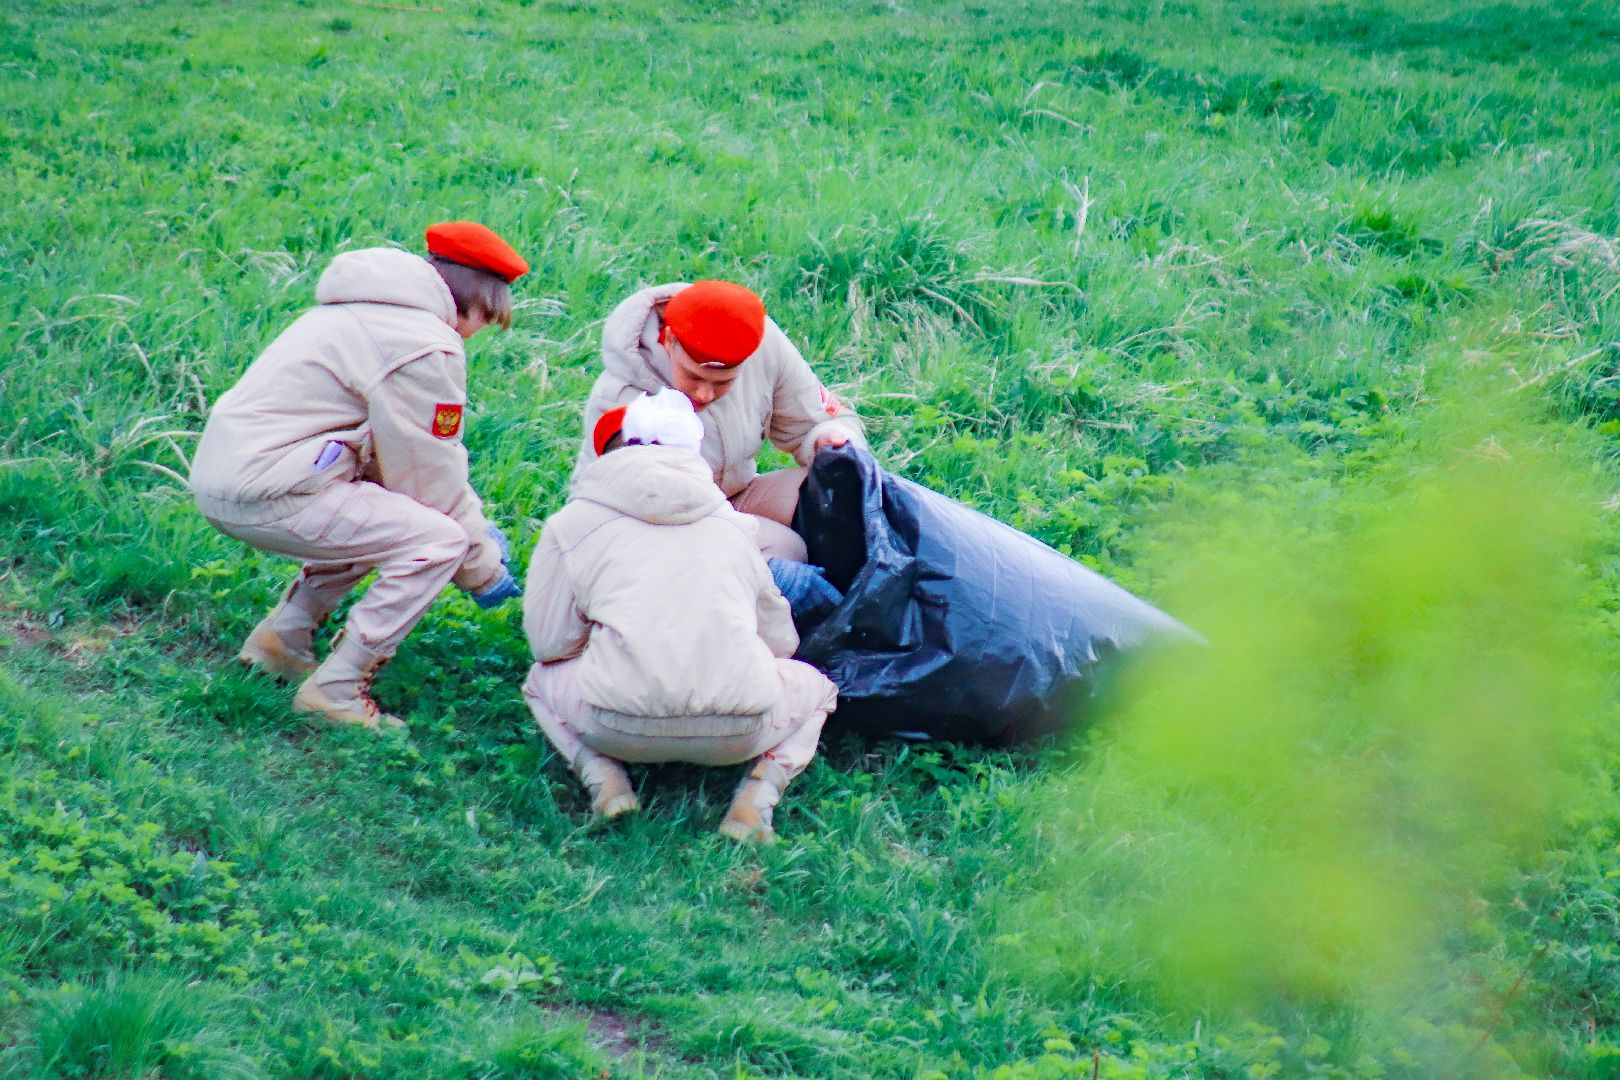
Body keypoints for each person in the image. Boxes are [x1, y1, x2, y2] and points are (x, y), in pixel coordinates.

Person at [189, 222, 527, 730]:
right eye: (489, 318)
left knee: (384, 514)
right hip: (273, 491)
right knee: (438, 541)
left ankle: (282, 642)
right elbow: (428, 475)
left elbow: (396, 466)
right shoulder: (422, 343)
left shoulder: (354, 310)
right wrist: (483, 566)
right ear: (477, 301)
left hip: (233, 476)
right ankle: (337, 692)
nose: (478, 332)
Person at [525, 389, 839, 842]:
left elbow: (549, 644)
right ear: (694, 452)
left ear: (616, 451)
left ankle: (603, 777)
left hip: (612, 723)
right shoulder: (736, 526)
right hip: (740, 730)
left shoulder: (571, 525)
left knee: (539, 680)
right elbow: (780, 644)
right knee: (820, 689)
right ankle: (759, 797)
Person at [578, 280, 866, 562]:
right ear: (669, 341)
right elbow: (637, 511)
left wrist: (830, 440)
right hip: (654, 528)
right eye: (693, 376)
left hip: (735, 495)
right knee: (785, 549)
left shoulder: (761, 343)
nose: (704, 394)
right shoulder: (621, 397)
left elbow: (820, 418)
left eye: (723, 382)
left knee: (844, 495)